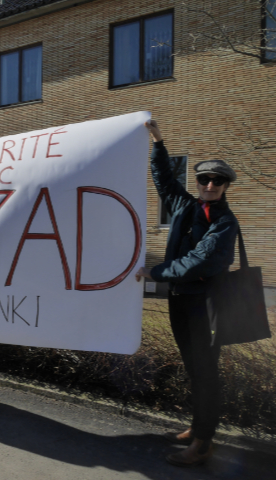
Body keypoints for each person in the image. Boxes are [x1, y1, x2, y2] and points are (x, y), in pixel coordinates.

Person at [136, 120, 238, 467]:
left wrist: (156, 271)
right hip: (180, 299)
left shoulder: (224, 221)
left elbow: (201, 260)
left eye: (217, 181)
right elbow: (164, 180)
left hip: (206, 305)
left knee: (206, 371)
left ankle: (203, 444)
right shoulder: (185, 206)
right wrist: (159, 142)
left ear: (225, 186)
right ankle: (198, 428)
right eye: (203, 179)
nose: (209, 185)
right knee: (195, 369)